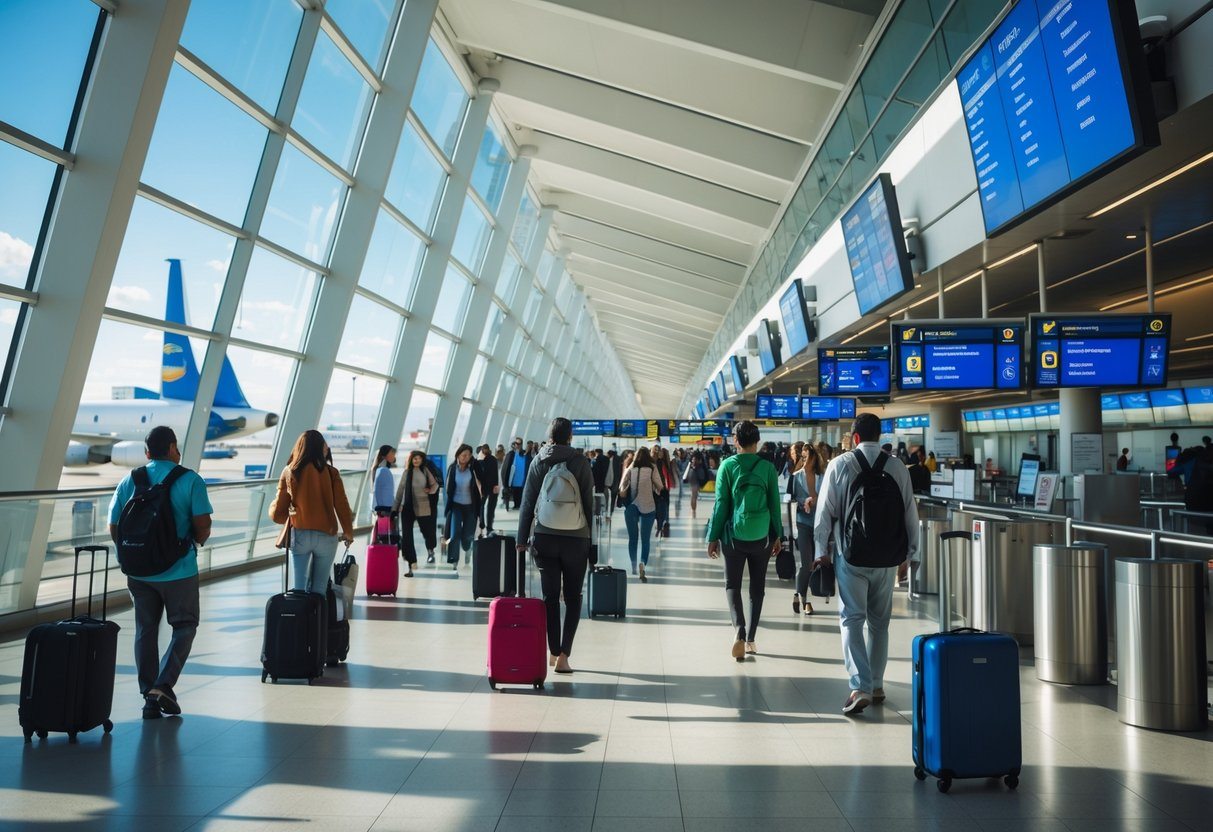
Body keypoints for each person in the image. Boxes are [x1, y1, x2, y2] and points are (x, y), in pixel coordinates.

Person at [814, 413, 919, 715]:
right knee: (880, 623)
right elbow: (910, 512)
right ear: (879, 435)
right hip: (888, 559)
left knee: (852, 619)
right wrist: (912, 554)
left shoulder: (840, 464)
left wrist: (821, 550)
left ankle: (859, 685)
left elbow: (824, 514)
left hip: (851, 557)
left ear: (855, 437)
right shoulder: (897, 467)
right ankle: (876, 684)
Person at [108, 426, 212, 719]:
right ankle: (163, 685)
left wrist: (132, 552)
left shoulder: (132, 479)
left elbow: (114, 525)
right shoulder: (190, 479)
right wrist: (197, 539)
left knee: (145, 629)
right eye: (176, 448)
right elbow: (202, 523)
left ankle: (148, 696)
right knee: (185, 626)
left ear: (146, 453)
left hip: (139, 573)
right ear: (170, 448)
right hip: (179, 571)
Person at [516, 417, 595, 674]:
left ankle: (552, 650)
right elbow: (588, 503)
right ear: (570, 436)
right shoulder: (580, 461)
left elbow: (527, 503)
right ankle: (564, 656)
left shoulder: (538, 460)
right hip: (576, 537)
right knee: (573, 598)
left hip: (544, 536)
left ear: (549, 436)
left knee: (550, 597)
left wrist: (520, 539)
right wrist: (590, 540)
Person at [706, 420, 782, 661]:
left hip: (734, 536)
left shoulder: (727, 466)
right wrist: (778, 535)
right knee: (757, 587)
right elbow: (774, 505)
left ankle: (739, 629)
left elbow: (722, 505)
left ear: (736, 441)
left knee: (733, 585)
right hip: (762, 536)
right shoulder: (768, 467)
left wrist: (713, 537)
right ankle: (751, 639)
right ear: (757, 441)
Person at [271, 430, 356, 596]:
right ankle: (318, 620)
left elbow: (278, 513)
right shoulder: (331, 473)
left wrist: (277, 509)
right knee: (319, 588)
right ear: (320, 448)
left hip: (300, 534)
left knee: (299, 588)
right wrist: (348, 531)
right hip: (327, 535)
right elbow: (342, 505)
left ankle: (300, 620)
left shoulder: (289, 471)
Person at [619, 446, 664, 580]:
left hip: (632, 506)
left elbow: (622, 485)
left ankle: (633, 566)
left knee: (633, 539)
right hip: (648, 506)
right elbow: (660, 486)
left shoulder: (631, 467)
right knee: (645, 540)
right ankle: (642, 564)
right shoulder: (652, 467)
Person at [791, 443, 825, 616]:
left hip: (819, 524)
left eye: (807, 457)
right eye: (802, 457)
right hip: (803, 522)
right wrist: (803, 502)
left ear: (814, 458)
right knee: (806, 564)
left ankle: (799, 594)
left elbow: (828, 497)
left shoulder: (822, 476)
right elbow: (791, 500)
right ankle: (806, 600)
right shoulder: (796, 477)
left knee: (814, 563)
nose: (805, 461)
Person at [394, 450, 440, 565]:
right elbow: (400, 491)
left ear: (422, 460)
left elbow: (435, 484)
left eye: (419, 458)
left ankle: (430, 552)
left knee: (427, 532)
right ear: (411, 460)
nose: (416, 460)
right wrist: (395, 508)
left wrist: (430, 490)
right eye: (414, 458)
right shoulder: (406, 472)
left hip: (423, 506)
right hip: (408, 507)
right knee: (407, 534)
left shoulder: (425, 471)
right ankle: (411, 560)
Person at [445, 444, 483, 570]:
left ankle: (467, 549)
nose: (465, 457)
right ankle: (454, 560)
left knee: (467, 535)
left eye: (468, 455)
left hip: (470, 506)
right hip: (456, 505)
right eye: (463, 455)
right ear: (458, 455)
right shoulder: (452, 468)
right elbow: (448, 488)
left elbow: (482, 480)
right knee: (455, 533)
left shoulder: (473, 468)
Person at [475, 444, 501, 537]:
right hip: (493, 487)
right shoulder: (493, 459)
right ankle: (489, 526)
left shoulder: (479, 462)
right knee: (490, 508)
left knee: (482, 506)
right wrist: (496, 485)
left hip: (483, 487)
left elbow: (479, 476)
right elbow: (496, 474)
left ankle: (482, 524)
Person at [501, 438, 529, 511]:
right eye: (516, 443)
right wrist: (505, 482)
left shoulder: (525, 454)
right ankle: (516, 504)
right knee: (515, 492)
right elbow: (505, 468)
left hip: (522, 479)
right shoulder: (511, 454)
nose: (517, 445)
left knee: (520, 492)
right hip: (513, 479)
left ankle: (518, 505)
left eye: (519, 443)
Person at [654, 447, 675, 538]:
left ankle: (661, 525)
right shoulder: (666, 463)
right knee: (664, 506)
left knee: (660, 506)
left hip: (661, 488)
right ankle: (663, 523)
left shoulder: (660, 463)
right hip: (664, 488)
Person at [370, 445, 396, 515]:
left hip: (380, 507)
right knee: (385, 525)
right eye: (392, 453)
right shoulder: (383, 470)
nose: (394, 455)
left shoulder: (378, 469)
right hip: (385, 508)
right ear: (384, 456)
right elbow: (387, 493)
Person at [684, 450, 711, 517]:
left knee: (693, 495)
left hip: (692, 474)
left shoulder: (692, 460)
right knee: (694, 495)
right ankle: (693, 511)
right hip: (696, 476)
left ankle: (693, 510)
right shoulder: (700, 460)